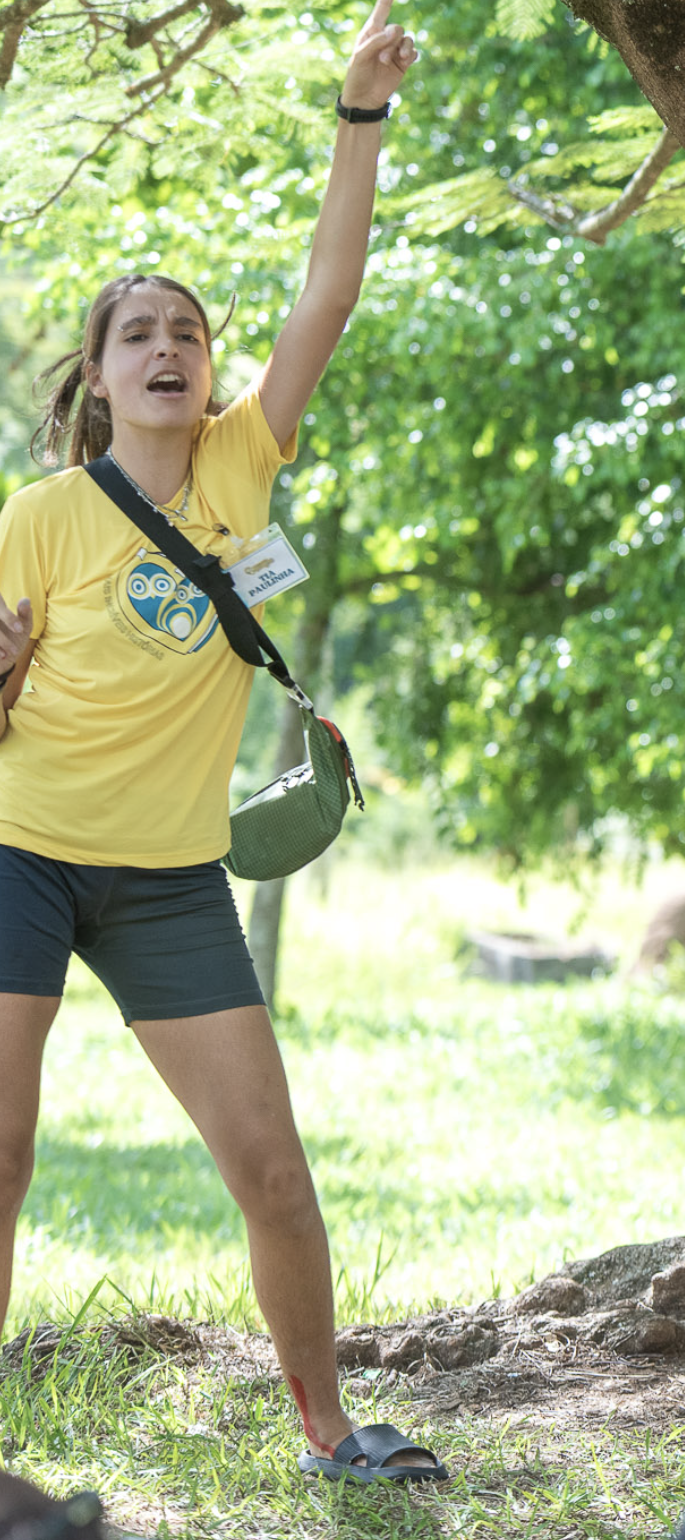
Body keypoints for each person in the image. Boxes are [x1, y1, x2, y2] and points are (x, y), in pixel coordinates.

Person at [0, 1, 445, 1485]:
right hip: (19, 855)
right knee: (1, 1158)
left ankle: (329, 1430)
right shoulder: (38, 516)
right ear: (98, 376)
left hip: (172, 881)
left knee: (273, 1171)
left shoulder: (244, 460)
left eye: (187, 332)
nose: (168, 348)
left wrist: (359, 116)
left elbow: (330, 291)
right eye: (138, 334)